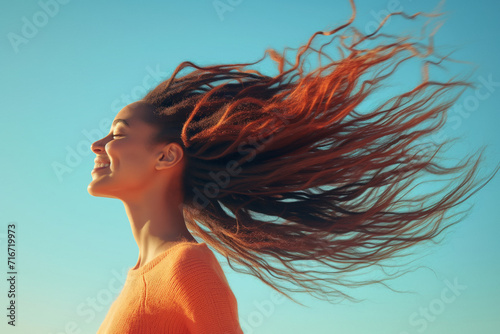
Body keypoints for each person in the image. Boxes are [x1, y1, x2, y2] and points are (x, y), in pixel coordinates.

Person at [88, 0, 499, 332]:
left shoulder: (186, 267)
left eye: (118, 134)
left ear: (167, 155)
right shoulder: (142, 276)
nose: (98, 145)